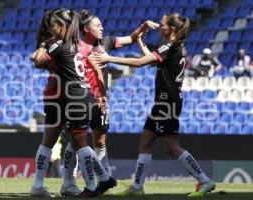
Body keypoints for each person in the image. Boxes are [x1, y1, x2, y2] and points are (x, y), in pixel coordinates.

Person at [92, 13, 215, 197]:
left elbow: (141, 63)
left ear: (172, 29)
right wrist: (140, 42)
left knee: (171, 146)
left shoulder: (170, 46)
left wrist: (108, 58)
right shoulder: (176, 47)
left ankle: (205, 181)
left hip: (167, 102)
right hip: (167, 101)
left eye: (163, 24)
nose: (160, 27)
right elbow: (152, 60)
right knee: (145, 140)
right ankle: (138, 186)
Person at [61, 9, 157, 196]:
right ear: (86, 28)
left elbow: (131, 38)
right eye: (98, 25)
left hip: (101, 101)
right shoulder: (76, 46)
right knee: (75, 140)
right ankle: (69, 180)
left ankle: (102, 182)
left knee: (100, 142)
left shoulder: (107, 42)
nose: (102, 28)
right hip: (81, 99)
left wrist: (143, 27)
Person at [32, 8, 116, 198]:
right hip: (74, 96)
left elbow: (37, 60)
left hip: (65, 97)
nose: (51, 28)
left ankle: (89, 182)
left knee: (69, 142)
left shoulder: (56, 44)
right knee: (72, 141)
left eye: (54, 24)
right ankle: (81, 182)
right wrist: (102, 94)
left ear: (62, 26)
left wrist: (44, 46)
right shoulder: (82, 45)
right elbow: (95, 67)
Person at [30, 9, 66, 198]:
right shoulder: (56, 44)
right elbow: (36, 59)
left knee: (51, 142)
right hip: (66, 94)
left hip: (56, 92)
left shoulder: (51, 44)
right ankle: (69, 183)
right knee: (76, 141)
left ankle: (39, 185)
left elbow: (35, 59)